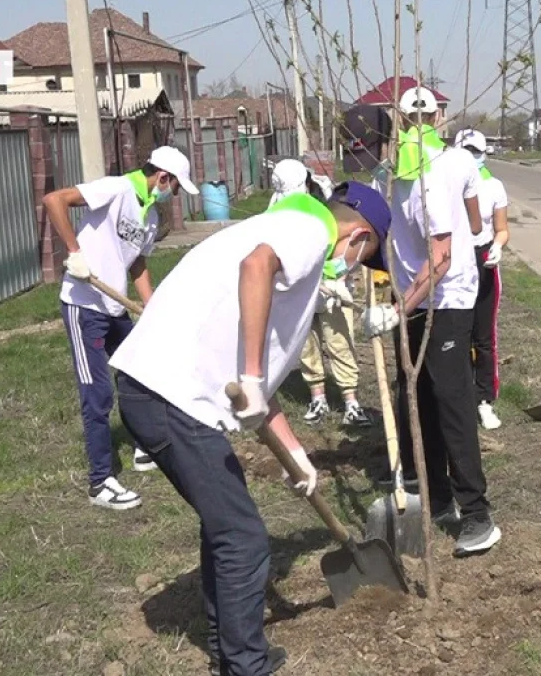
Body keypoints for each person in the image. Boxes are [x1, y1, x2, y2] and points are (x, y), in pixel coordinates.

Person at [108, 183, 391, 676]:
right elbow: (257, 267)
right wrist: (255, 379)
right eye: (363, 257)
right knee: (242, 538)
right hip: (170, 395)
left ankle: (231, 651)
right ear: (359, 236)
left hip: (157, 391)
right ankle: (245, 667)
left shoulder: (282, 230)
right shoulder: (306, 229)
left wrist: (296, 454)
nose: (355, 265)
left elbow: (258, 381)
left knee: (224, 524)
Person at [362, 86, 500, 557]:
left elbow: (441, 257)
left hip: (450, 294)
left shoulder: (439, 175)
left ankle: (477, 511)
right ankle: (437, 497)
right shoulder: (397, 175)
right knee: (416, 394)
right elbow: (401, 235)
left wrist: (396, 311)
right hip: (415, 295)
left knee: (451, 397)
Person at [44, 145, 198, 510]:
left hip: (115, 308)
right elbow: (54, 200)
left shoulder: (150, 218)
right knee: (96, 394)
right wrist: (74, 252)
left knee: (143, 374)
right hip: (85, 306)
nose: (173, 196)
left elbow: (137, 262)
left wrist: (151, 305)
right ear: (163, 177)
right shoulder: (115, 189)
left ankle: (146, 448)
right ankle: (100, 482)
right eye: (175, 188)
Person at [267, 160, 372, 426]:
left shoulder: (326, 200)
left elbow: (345, 245)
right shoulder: (276, 208)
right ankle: (318, 398)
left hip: (331, 284)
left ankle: (351, 402)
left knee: (339, 341)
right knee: (306, 343)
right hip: (299, 287)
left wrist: (339, 274)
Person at [454, 128, 510, 430]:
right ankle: (460, 396)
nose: (470, 158)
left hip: (483, 259)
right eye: (465, 152)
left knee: (484, 336)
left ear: (484, 154)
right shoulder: (446, 184)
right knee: (455, 332)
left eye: (475, 152)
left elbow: (502, 228)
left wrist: (498, 246)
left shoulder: (493, 186)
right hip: (455, 261)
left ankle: (485, 399)